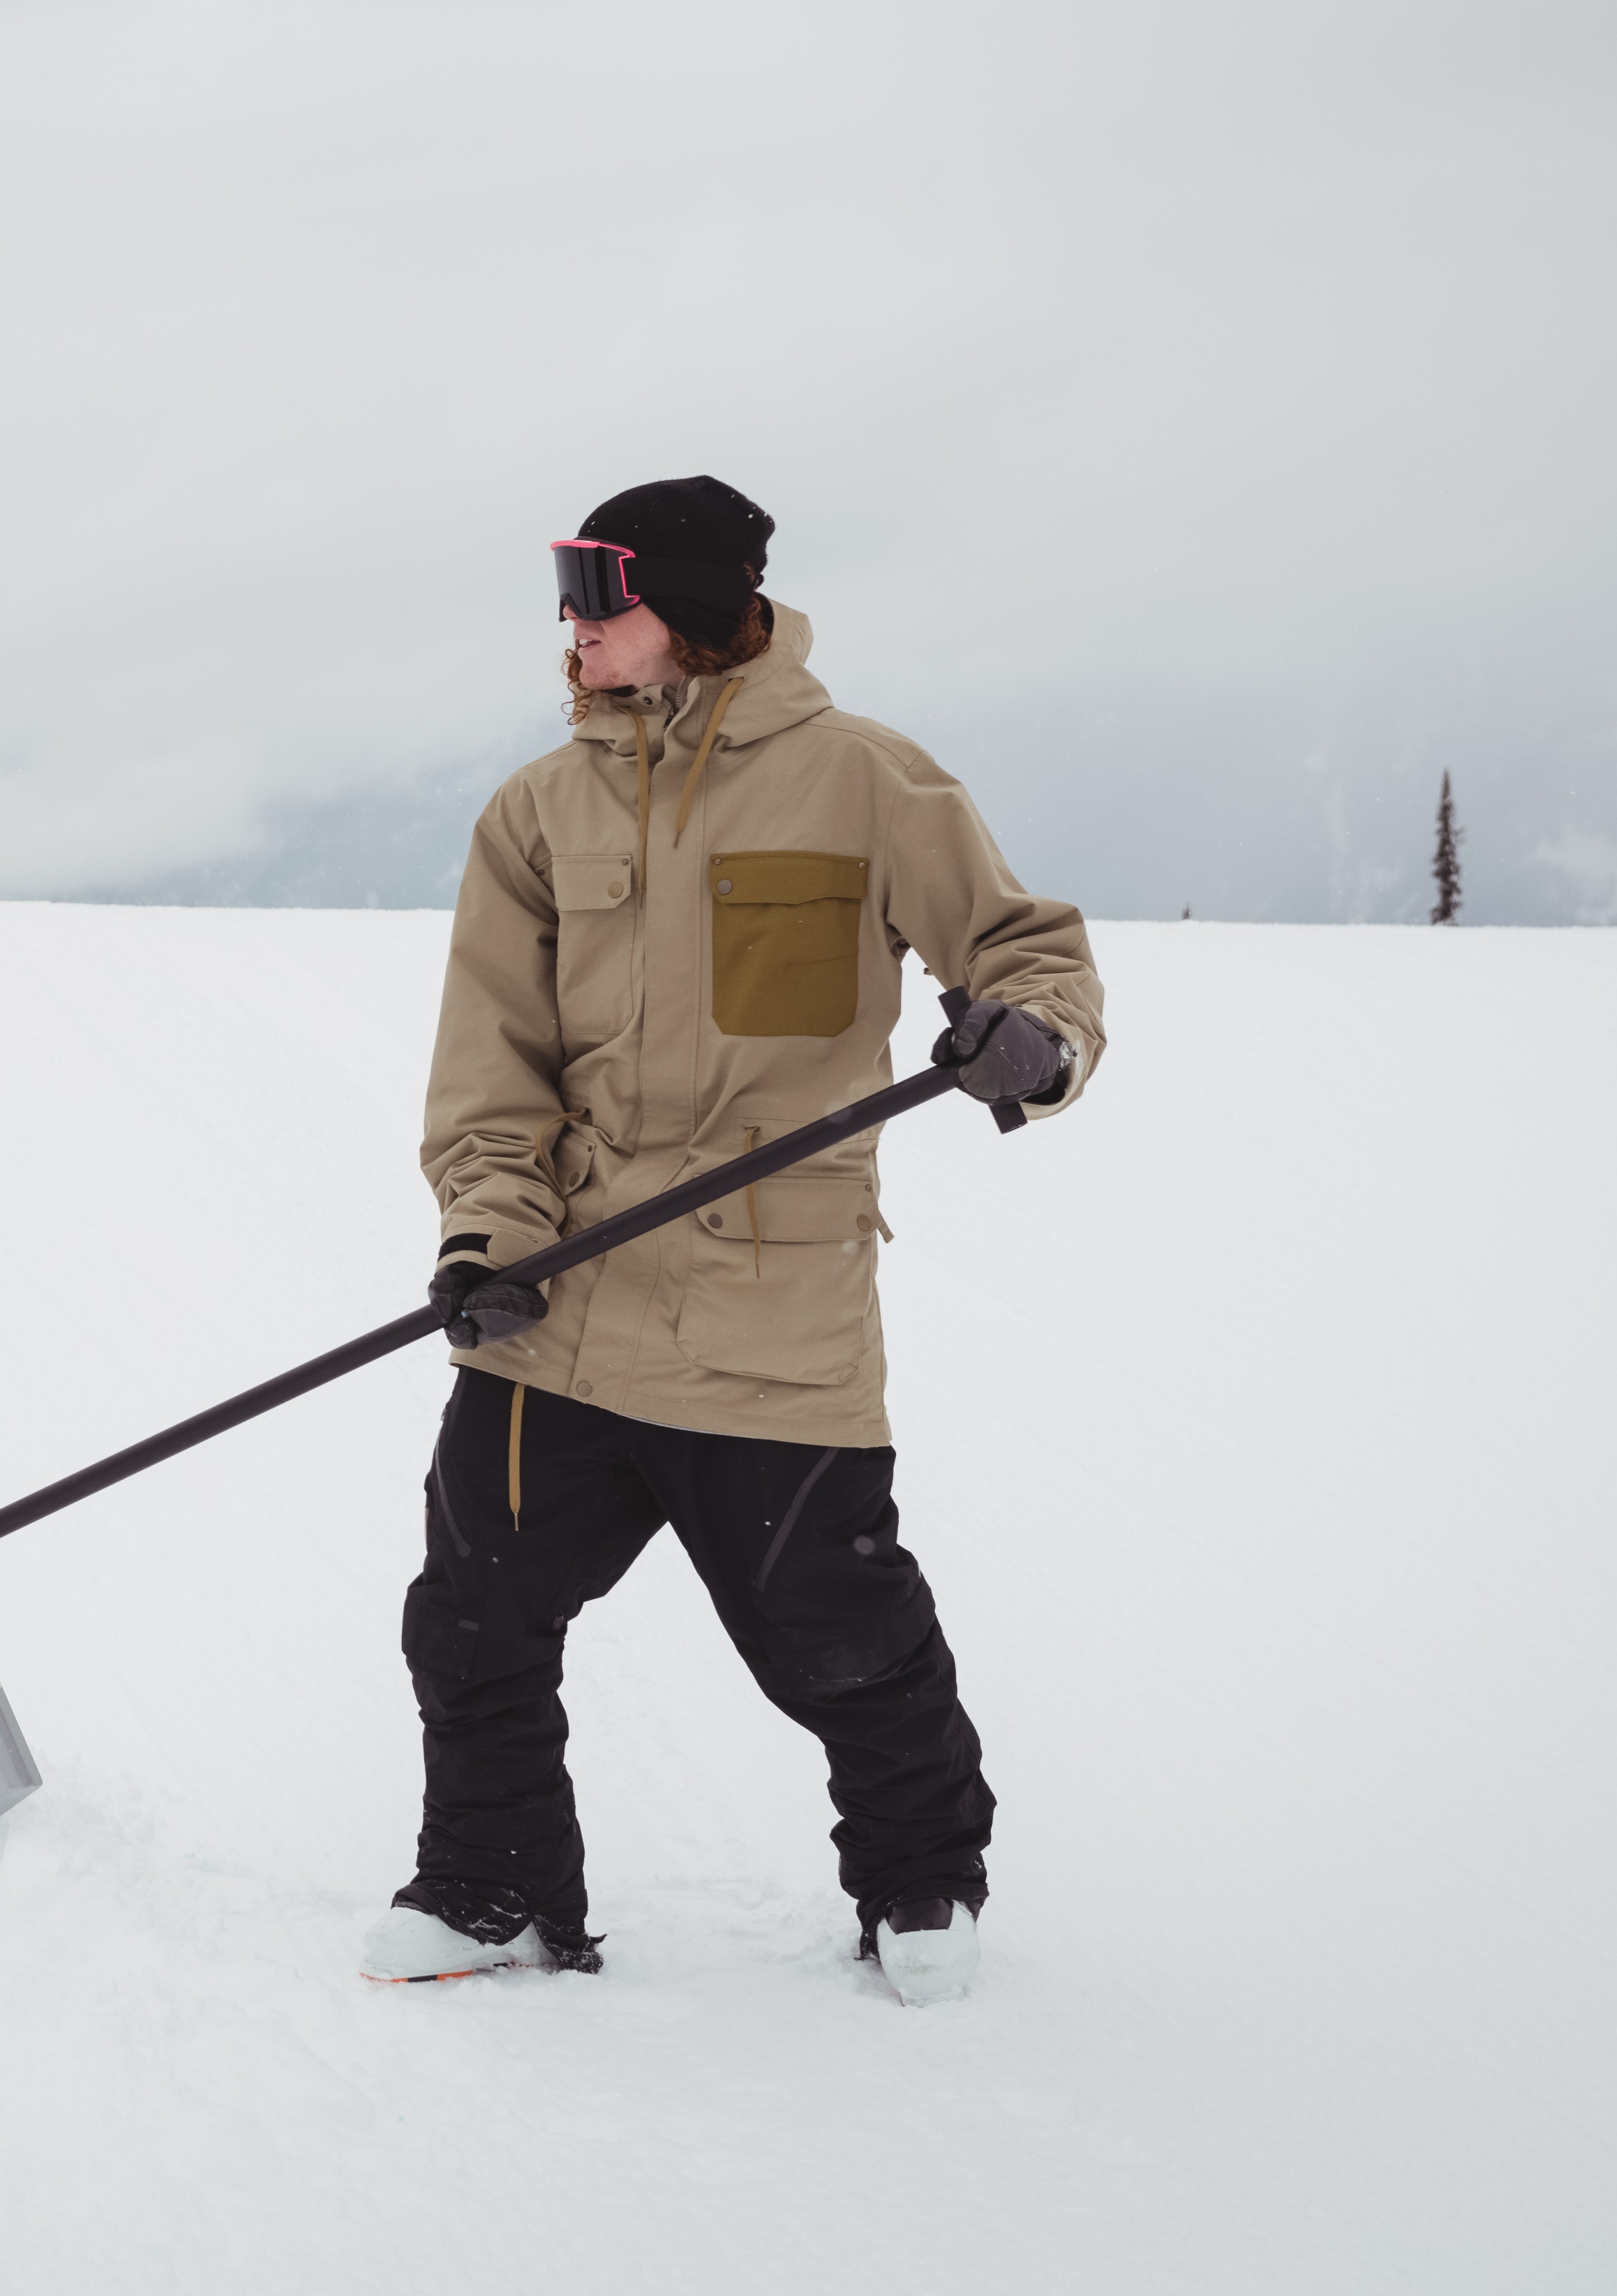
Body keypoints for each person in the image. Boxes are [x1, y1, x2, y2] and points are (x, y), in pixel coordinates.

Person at [364, 477, 1101, 2005]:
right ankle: (494, 1889)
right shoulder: (538, 813)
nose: (569, 628)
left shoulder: (865, 783)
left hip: (775, 1321)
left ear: (689, 609)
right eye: (564, 592)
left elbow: (1029, 947)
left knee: (835, 1638)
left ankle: (921, 1881)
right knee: (474, 1613)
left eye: (598, 594)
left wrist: (1030, 1038)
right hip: (557, 1308)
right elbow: (488, 1064)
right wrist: (486, 1237)